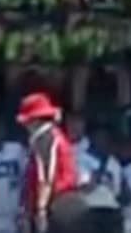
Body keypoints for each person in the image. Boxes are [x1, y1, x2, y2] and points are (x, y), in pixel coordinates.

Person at [16, 92, 82, 233]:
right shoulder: (55, 135)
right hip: (63, 202)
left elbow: (45, 176)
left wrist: (41, 210)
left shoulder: (44, 139)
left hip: (55, 204)